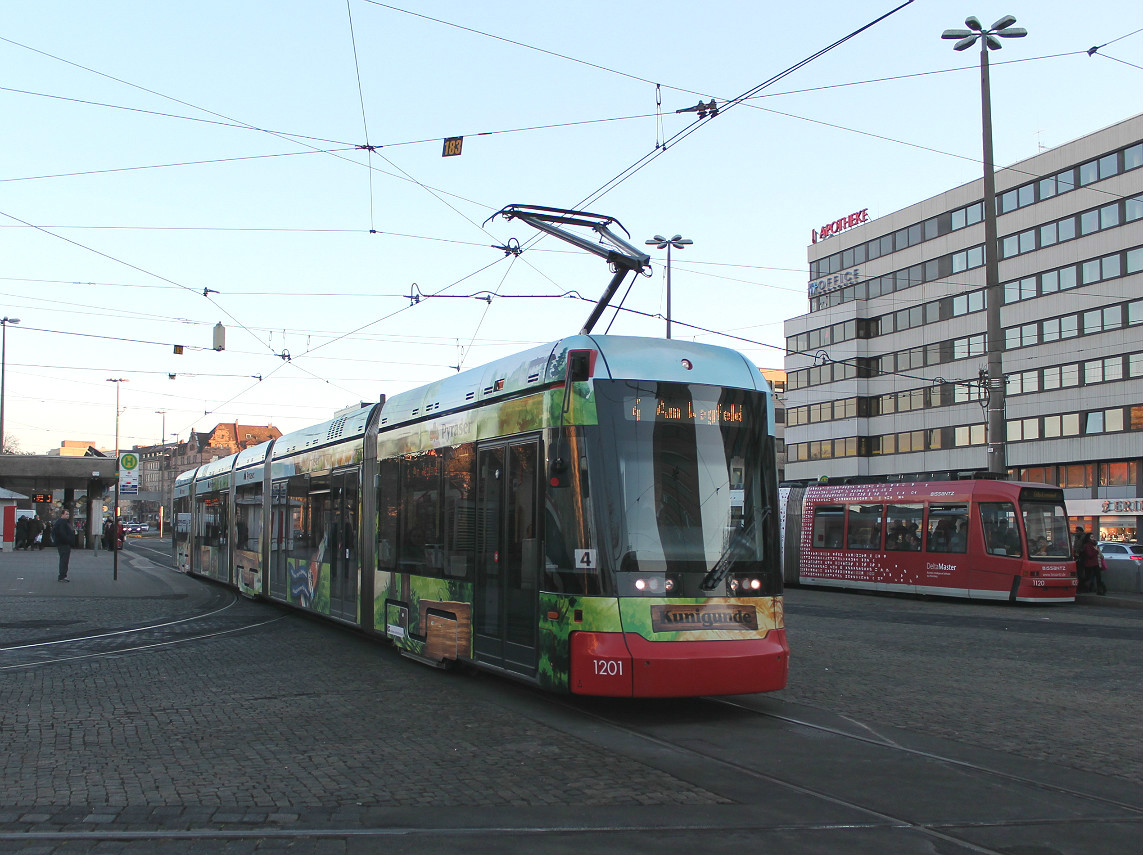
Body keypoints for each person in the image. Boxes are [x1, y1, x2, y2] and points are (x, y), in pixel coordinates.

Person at [52, 508, 77, 582]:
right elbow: (62, 533)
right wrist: (68, 540)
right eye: (66, 514)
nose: (68, 515)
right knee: (64, 560)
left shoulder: (60, 522)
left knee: (64, 560)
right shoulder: (62, 522)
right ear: (62, 514)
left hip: (62, 543)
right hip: (64, 544)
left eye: (68, 514)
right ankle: (62, 576)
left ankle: (63, 575)